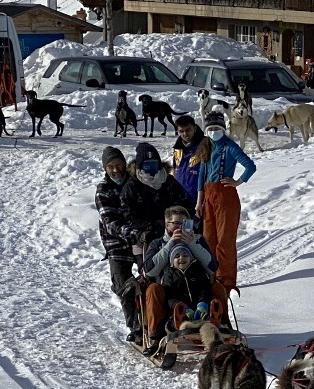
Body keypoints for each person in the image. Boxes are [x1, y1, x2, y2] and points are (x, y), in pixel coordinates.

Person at [140, 205, 231, 351]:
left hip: (197, 289)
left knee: (217, 287)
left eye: (184, 223)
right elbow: (150, 270)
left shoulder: (198, 240)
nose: (180, 227)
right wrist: (170, 245)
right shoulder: (157, 243)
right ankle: (156, 337)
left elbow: (212, 267)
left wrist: (191, 244)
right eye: (176, 223)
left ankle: (223, 327)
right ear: (167, 225)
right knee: (153, 289)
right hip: (170, 292)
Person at [192, 111, 256, 291]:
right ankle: (210, 276)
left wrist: (237, 182)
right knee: (208, 239)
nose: (213, 131)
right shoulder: (206, 146)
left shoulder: (230, 146)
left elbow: (250, 166)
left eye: (216, 128)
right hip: (208, 197)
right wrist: (199, 202)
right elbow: (201, 176)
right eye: (210, 129)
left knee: (225, 241)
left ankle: (226, 280)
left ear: (223, 129)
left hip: (225, 196)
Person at [94, 146, 141, 342]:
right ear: (105, 169)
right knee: (125, 285)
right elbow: (110, 222)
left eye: (119, 165)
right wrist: (132, 233)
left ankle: (159, 322)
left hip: (141, 241)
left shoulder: (135, 183)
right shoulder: (103, 190)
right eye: (111, 166)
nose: (116, 170)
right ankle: (136, 327)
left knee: (156, 278)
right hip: (117, 244)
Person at [120, 141, 194, 248]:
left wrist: (177, 221)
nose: (151, 167)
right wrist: (153, 226)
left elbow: (188, 204)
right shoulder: (131, 187)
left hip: (174, 231)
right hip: (145, 236)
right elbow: (128, 215)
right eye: (147, 164)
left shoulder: (169, 181)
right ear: (140, 166)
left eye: (154, 163)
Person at [171, 114, 205, 207]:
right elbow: (174, 173)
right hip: (179, 200)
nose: (185, 134)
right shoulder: (177, 149)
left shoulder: (205, 146)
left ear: (194, 128)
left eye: (188, 130)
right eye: (181, 131)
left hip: (198, 201)